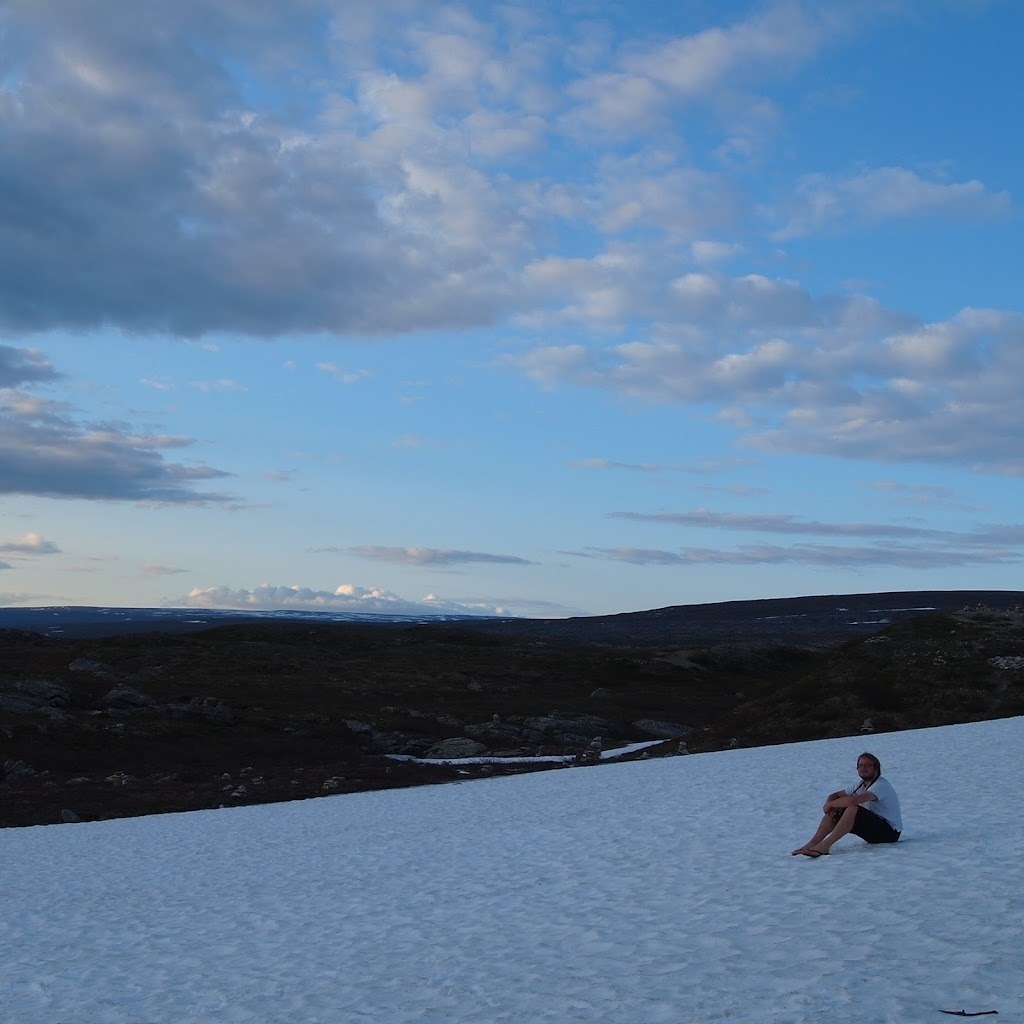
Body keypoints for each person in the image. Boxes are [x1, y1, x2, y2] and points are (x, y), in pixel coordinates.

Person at [791, 752, 902, 857]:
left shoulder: (881, 785)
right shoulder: (861, 785)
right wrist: (831, 804)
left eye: (868, 765)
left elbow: (852, 801)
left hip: (889, 834)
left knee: (852, 807)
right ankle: (812, 844)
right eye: (860, 765)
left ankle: (824, 846)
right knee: (837, 810)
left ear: (876, 768)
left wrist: (830, 805)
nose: (863, 768)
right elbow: (835, 795)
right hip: (875, 832)